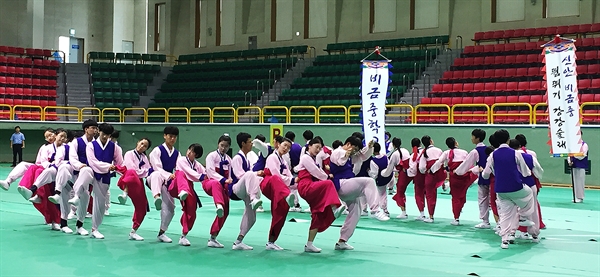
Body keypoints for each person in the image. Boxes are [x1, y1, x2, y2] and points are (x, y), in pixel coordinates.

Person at [330, 136, 389, 251]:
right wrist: (347, 153)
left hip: (348, 185)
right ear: (348, 144)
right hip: (341, 184)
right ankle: (375, 210)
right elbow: (339, 161)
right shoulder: (338, 152)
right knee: (369, 181)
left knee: (356, 212)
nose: (355, 152)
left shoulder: (352, 156)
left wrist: (369, 147)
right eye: (354, 148)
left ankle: (342, 241)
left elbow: (362, 156)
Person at [481, 129, 537, 249]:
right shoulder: (516, 153)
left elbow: (485, 174)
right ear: (508, 139)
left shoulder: (492, 155)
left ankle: (504, 240)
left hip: (500, 189)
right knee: (530, 194)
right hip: (516, 186)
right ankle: (522, 216)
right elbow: (526, 171)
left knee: (505, 214)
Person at [296, 138, 345, 253]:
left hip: (312, 185)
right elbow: (315, 172)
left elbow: (318, 171)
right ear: (309, 146)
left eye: (320, 148)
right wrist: (327, 177)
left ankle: (309, 244)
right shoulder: (305, 157)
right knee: (328, 184)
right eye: (316, 147)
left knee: (317, 213)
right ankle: (335, 207)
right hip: (306, 186)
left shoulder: (313, 159)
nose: (318, 150)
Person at [147, 126, 189, 243]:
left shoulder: (177, 153)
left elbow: (180, 168)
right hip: (154, 179)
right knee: (156, 174)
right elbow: (157, 167)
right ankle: (156, 197)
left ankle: (162, 232)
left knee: (170, 208)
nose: (172, 139)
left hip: (167, 183)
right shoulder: (157, 150)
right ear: (164, 136)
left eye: (174, 137)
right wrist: (169, 175)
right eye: (170, 136)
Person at [85, 123, 124, 239]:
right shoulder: (91, 146)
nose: (105, 137)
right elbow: (92, 162)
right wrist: (108, 166)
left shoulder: (115, 147)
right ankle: (79, 223)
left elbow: (120, 163)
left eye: (108, 135)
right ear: (98, 131)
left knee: (100, 203)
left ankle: (94, 228)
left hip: (104, 177)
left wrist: (120, 171)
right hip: (91, 174)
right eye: (103, 134)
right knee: (82, 196)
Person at [229, 132, 265, 250]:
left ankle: (239, 241)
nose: (251, 144)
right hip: (235, 189)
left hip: (245, 189)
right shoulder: (237, 158)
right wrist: (255, 174)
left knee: (252, 217)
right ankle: (253, 198)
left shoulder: (247, 159)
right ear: (243, 143)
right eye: (250, 142)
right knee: (250, 174)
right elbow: (241, 176)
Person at [431, 137, 478, 226]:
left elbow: (439, 162)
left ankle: (456, 218)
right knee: (462, 196)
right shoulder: (464, 152)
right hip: (465, 176)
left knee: (455, 198)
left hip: (454, 178)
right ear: (456, 143)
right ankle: (459, 208)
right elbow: (468, 163)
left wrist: (432, 170)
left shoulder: (446, 153)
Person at [117, 137, 152, 241]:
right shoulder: (129, 154)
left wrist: (142, 172)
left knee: (142, 207)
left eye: (145, 146)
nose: (142, 146)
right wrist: (142, 171)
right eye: (141, 143)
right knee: (131, 172)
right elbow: (131, 168)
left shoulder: (145, 158)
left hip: (138, 182)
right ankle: (124, 194)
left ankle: (133, 231)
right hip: (128, 179)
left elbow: (148, 171)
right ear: (138, 143)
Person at [455, 128, 491, 229]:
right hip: (492, 177)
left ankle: (485, 221)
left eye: (472, 136)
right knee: (495, 200)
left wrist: (457, 172)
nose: (471, 138)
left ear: (477, 138)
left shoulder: (475, 151)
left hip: (483, 178)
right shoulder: (489, 149)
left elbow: (466, 163)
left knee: (483, 199)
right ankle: (500, 223)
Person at [202, 134, 233, 248]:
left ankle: (213, 238)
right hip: (210, 183)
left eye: (226, 146)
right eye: (221, 145)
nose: (223, 148)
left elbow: (230, 176)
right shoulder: (211, 156)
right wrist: (224, 180)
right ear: (218, 144)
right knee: (215, 183)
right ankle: (218, 205)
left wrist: (229, 183)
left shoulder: (229, 160)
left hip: (223, 186)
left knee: (226, 211)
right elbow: (210, 172)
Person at [171, 143, 205, 246]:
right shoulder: (181, 160)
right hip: (176, 185)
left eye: (193, 151)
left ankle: (184, 235)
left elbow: (205, 172)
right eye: (189, 149)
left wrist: (207, 177)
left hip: (189, 188)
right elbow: (188, 172)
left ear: (196, 155)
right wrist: (201, 177)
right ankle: (182, 191)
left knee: (191, 211)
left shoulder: (197, 165)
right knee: (181, 173)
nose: (189, 152)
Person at [381, 137, 413, 219]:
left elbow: (390, 168)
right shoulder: (405, 150)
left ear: (393, 145)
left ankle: (403, 212)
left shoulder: (394, 154)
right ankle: (403, 210)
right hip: (410, 173)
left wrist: (382, 174)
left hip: (404, 174)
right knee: (400, 191)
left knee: (400, 192)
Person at [369, 142, 393, 216]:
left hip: (380, 179)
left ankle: (383, 210)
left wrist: (368, 171)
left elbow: (374, 174)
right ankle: (384, 209)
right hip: (389, 177)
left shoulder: (373, 161)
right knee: (382, 193)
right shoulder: (385, 157)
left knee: (381, 194)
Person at [568, 131, 589, 203]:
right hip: (574, 165)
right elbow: (569, 154)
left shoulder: (584, 145)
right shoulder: (573, 145)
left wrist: (574, 156)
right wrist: (569, 160)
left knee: (580, 181)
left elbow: (582, 155)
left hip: (581, 166)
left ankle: (580, 197)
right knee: (574, 182)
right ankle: (575, 196)